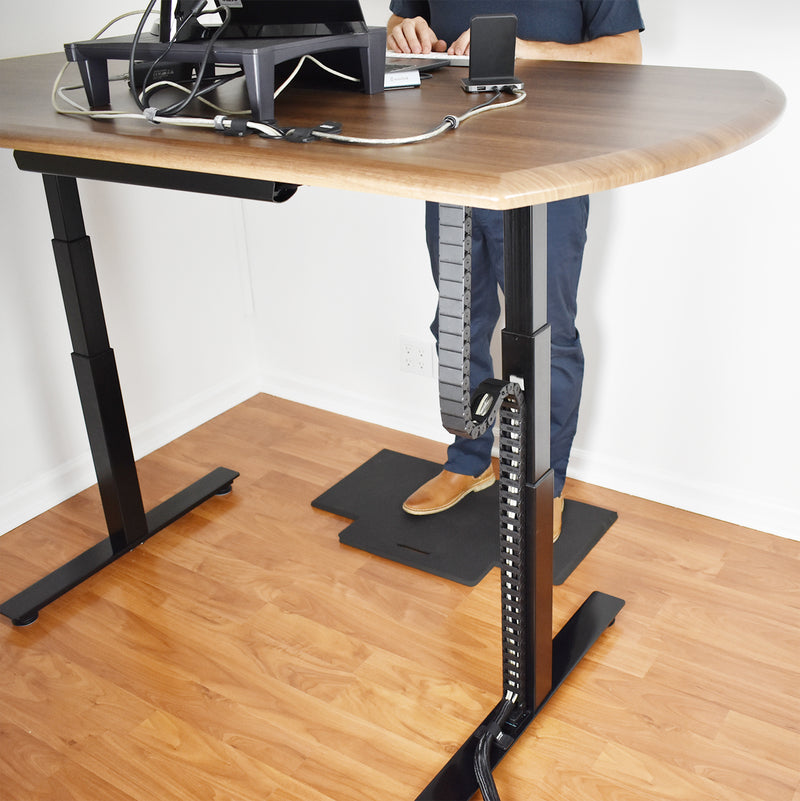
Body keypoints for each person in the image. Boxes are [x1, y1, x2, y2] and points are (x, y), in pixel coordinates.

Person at [387, 1, 644, 538]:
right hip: (448, 156)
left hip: (550, 164)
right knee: (460, 321)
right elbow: (400, 23)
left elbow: (626, 52)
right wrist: (403, 31)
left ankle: (541, 481)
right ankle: (469, 460)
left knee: (546, 335)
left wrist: (524, 53)